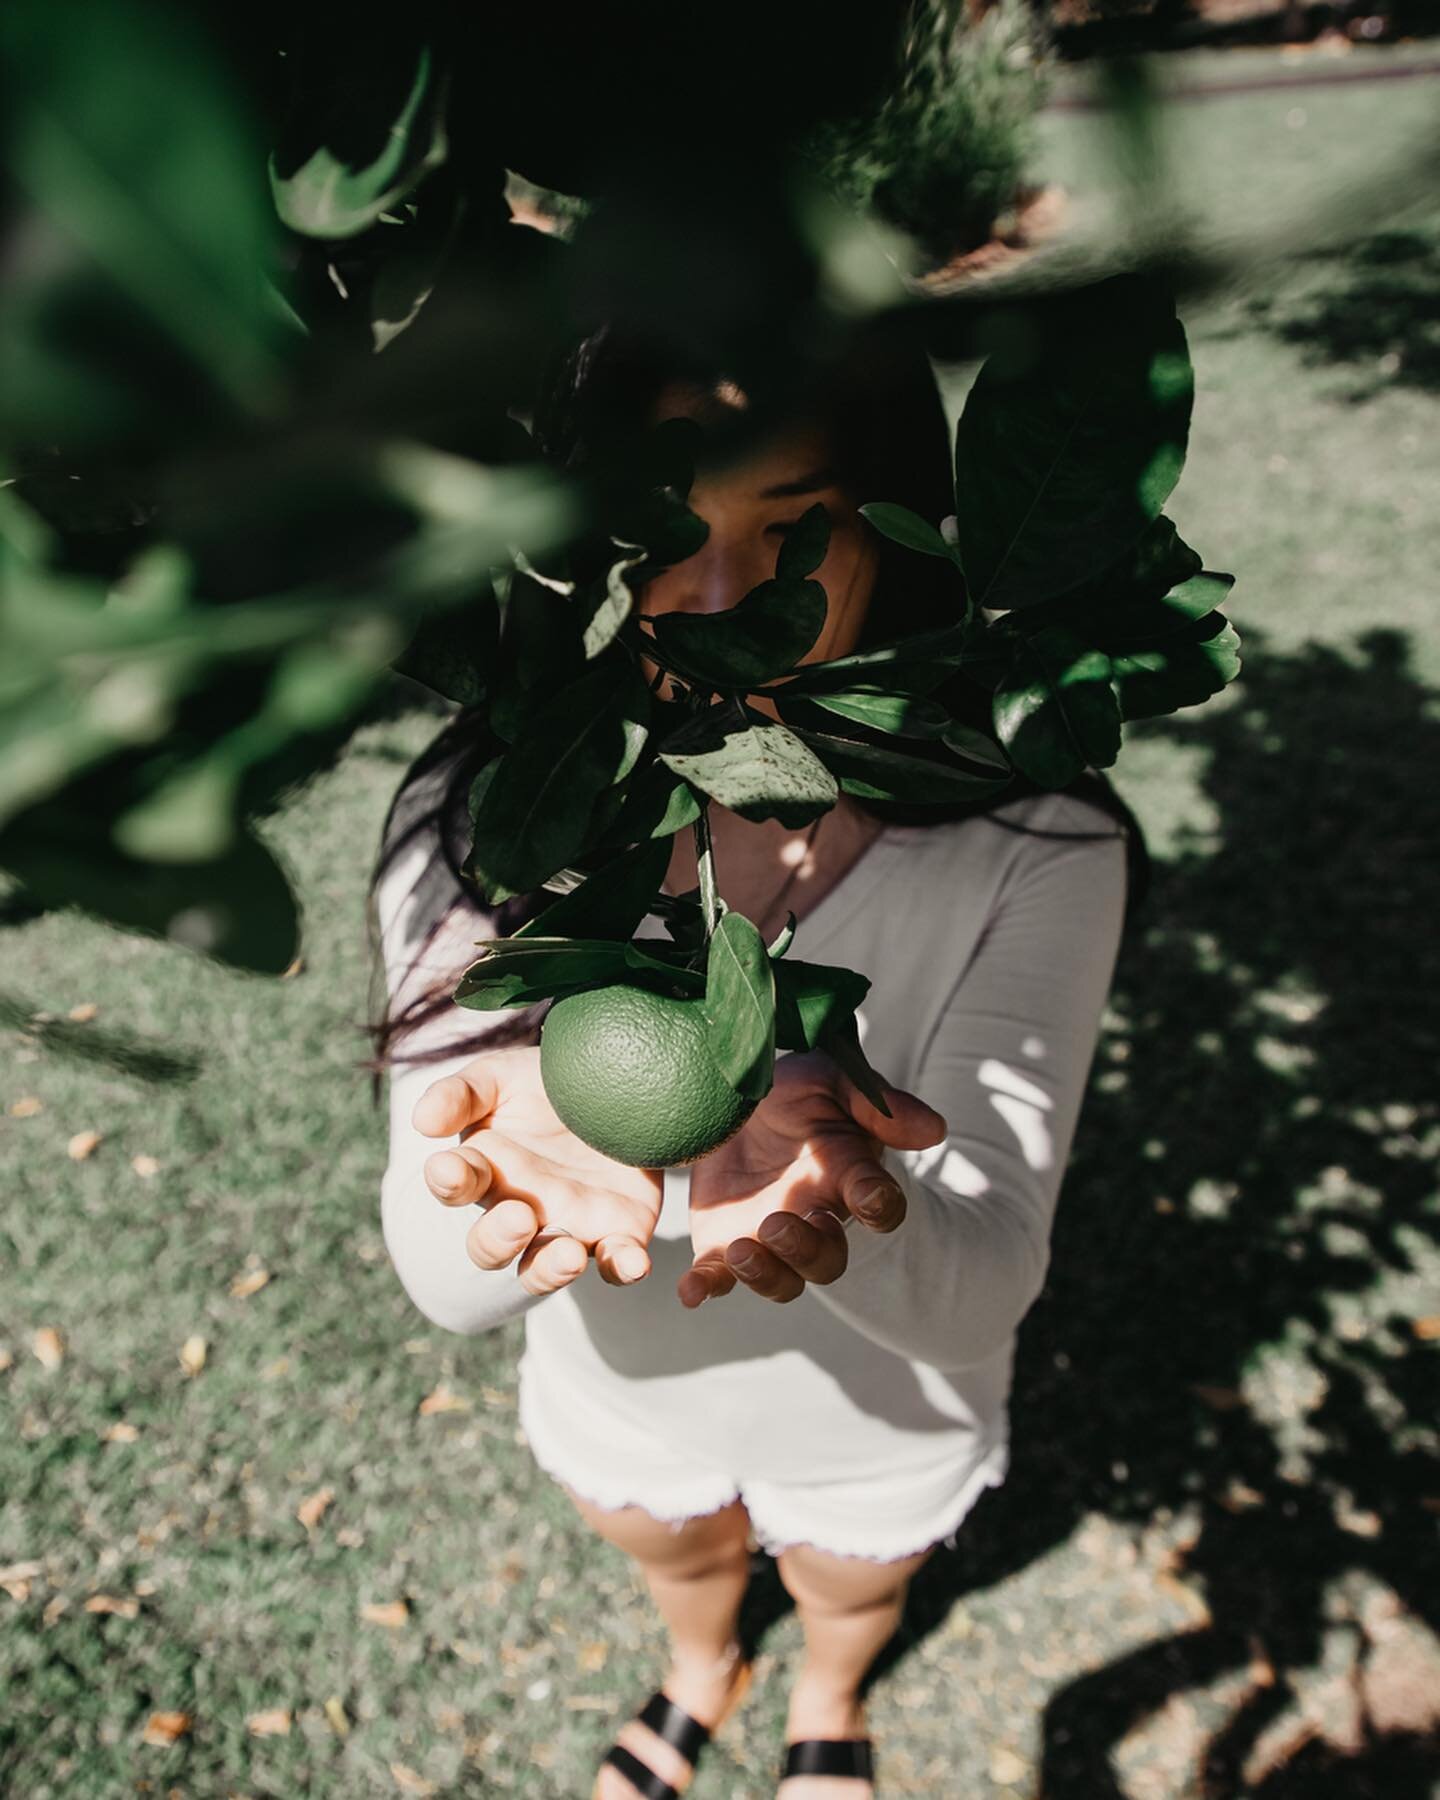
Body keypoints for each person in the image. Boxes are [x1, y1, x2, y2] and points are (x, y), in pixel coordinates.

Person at [364, 318, 1146, 1800]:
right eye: (659, 533)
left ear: (894, 535)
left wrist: (833, 1187)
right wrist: (516, 1129)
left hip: (885, 1422)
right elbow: (442, 1281)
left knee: (850, 1591)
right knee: (684, 1567)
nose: (722, 601)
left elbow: (986, 1283)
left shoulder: (1033, 846)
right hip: (629, 1392)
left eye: (797, 531)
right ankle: (705, 1673)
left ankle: (831, 1701)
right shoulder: (489, 818)